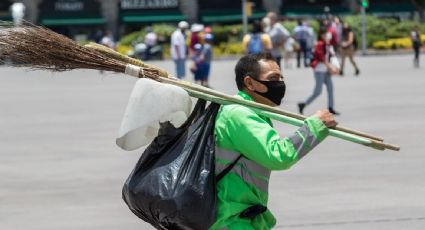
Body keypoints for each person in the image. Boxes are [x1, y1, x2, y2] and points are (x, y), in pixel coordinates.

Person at [210, 52, 337, 229]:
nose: (280, 84)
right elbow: (277, 156)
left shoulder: (249, 111)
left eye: (281, 77)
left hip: (244, 216)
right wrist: (314, 127)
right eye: (273, 78)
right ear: (249, 83)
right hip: (232, 221)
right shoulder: (239, 114)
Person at [298, 28, 340, 115]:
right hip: (319, 70)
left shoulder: (327, 44)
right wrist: (331, 67)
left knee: (330, 88)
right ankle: (304, 104)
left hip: (326, 70)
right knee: (318, 92)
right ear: (321, 36)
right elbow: (322, 58)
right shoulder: (319, 44)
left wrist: (335, 66)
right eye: (324, 35)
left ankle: (331, 107)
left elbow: (331, 55)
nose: (326, 36)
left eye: (327, 35)